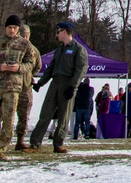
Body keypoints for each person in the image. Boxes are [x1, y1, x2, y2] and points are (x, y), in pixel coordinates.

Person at [28, 21, 89, 154]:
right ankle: (35, 144)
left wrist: (73, 86)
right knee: (45, 114)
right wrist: (40, 83)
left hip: (68, 84)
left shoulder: (79, 49)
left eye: (59, 31)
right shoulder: (59, 50)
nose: (57, 34)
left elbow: (81, 69)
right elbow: (51, 68)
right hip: (55, 83)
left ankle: (58, 144)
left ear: (66, 32)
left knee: (63, 116)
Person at [0, 16, 34, 158]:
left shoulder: (25, 44)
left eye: (14, 27)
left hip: (13, 87)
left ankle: (2, 148)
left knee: (9, 119)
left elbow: (31, 63)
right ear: (5, 28)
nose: (12, 30)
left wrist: (19, 67)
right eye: (9, 27)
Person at [15, 24, 41, 152]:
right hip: (11, 86)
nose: (25, 37)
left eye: (27, 35)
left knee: (24, 115)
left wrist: (29, 75)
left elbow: (37, 66)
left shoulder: (34, 50)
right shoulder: (13, 47)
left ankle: (20, 141)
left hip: (26, 88)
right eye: (22, 35)